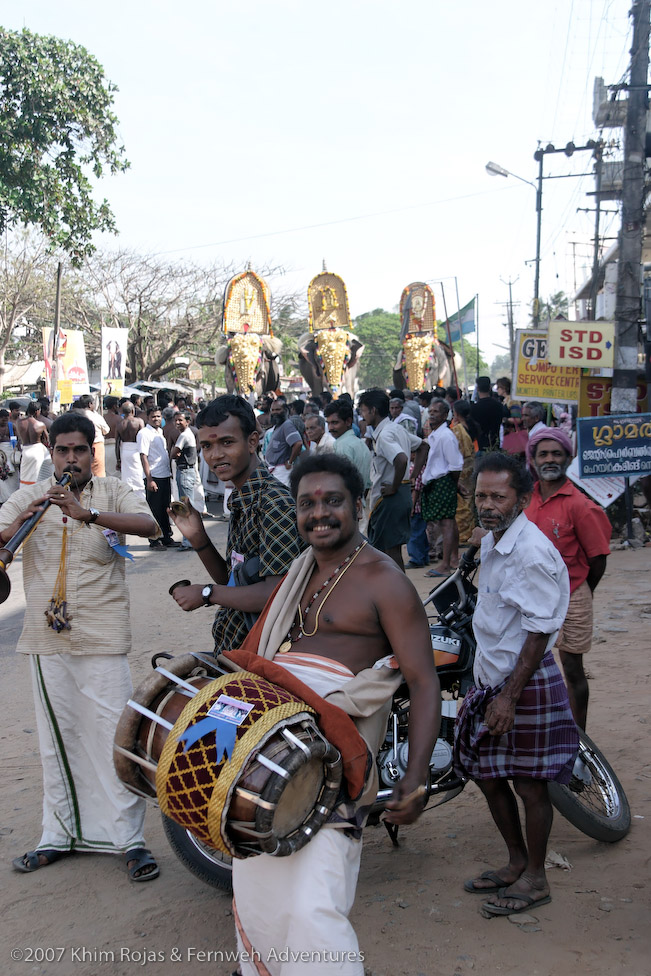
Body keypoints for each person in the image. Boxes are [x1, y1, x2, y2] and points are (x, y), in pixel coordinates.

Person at [227, 452, 440, 975]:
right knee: (257, 877)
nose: (319, 514)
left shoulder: (383, 580)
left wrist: (415, 779)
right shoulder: (300, 574)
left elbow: (423, 679)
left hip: (332, 749)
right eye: (307, 504)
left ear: (358, 506)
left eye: (332, 501)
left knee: (314, 897)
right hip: (270, 743)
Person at [1, 412, 160, 882]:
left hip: (104, 633)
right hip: (47, 638)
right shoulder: (30, 496)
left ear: (94, 451)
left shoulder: (111, 491)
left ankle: (129, 841)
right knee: (58, 738)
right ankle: (59, 835)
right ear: (52, 453)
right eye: (62, 450)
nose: (70, 459)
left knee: (115, 737)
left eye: (79, 450)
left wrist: (86, 513)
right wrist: (15, 529)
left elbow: (148, 525)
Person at [454, 452, 578, 915]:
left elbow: (540, 628)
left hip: (522, 682)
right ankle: (516, 862)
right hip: (492, 676)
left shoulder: (530, 552)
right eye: (481, 495)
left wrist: (509, 696)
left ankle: (537, 878)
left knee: (530, 787)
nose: (487, 504)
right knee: (486, 776)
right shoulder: (494, 540)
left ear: (523, 499)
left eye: (498, 496)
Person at [169, 395, 303, 653]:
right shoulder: (243, 499)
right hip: (233, 647)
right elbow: (234, 583)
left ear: (252, 441)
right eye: (207, 446)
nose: (216, 455)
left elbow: (275, 593)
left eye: (227, 442)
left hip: (260, 656)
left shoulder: (273, 503)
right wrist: (199, 540)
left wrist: (207, 593)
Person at [525, 428, 611, 732]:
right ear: (533, 460)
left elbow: (597, 559)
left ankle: (578, 741)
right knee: (528, 667)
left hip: (572, 596)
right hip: (531, 597)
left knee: (573, 669)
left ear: (568, 457)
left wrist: (579, 592)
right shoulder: (527, 499)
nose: (550, 459)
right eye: (543, 454)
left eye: (557, 453)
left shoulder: (580, 505)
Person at [358, 389, 425, 570]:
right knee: (389, 550)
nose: (363, 416)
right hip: (397, 493)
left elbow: (401, 459)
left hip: (390, 496)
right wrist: (411, 477)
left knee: (389, 553)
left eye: (364, 411)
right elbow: (423, 446)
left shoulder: (386, 434)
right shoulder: (395, 428)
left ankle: (399, 593)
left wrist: (395, 485)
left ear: (373, 410)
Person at [418, 399, 464, 576]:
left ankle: (445, 564)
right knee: (448, 522)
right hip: (437, 482)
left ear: (445, 416)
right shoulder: (435, 435)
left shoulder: (446, 436)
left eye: (436, 411)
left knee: (446, 523)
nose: (432, 414)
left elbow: (455, 466)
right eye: (430, 411)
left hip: (443, 481)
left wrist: (453, 484)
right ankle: (452, 559)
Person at [137, 405, 178, 548]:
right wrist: (149, 479)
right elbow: (144, 456)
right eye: (153, 416)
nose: (156, 419)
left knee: (165, 508)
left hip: (164, 475)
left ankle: (167, 537)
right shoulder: (144, 433)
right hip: (154, 476)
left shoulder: (160, 432)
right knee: (154, 510)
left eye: (158, 416)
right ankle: (154, 540)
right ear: (148, 418)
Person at [324, 400, 371, 490]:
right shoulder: (359, 443)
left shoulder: (343, 446)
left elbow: (342, 482)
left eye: (334, 423)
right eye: (328, 423)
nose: (330, 428)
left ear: (348, 421)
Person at [450, 399, 478, 544]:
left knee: (461, 502)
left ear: (456, 412)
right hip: (470, 467)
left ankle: (462, 534)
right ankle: (468, 531)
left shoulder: (457, 430)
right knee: (468, 499)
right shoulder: (469, 426)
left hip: (461, 469)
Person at [171, 410, 198, 550]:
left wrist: (174, 453)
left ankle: (189, 541)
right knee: (188, 506)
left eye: (180, 420)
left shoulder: (184, 435)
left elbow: (173, 452)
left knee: (185, 508)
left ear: (187, 421)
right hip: (187, 471)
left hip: (185, 472)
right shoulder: (188, 434)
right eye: (176, 420)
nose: (177, 423)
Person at [265, 399, 303, 486]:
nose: (275, 412)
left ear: (285, 410)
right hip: (275, 471)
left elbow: (298, 443)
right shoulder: (278, 426)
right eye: (273, 410)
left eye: (278, 410)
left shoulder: (287, 425)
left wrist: (290, 462)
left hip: (283, 471)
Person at [71, 394, 110, 478]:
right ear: (90, 404)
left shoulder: (77, 415)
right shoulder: (95, 416)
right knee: (99, 472)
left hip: (80, 446)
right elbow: (106, 430)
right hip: (96, 445)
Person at [470, 376, 507, 452]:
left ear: (477, 389)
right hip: (495, 444)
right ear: (490, 388)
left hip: (480, 446)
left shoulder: (474, 408)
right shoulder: (499, 406)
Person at [116, 402, 145, 496]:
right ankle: (141, 496)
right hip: (137, 450)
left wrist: (118, 459)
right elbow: (143, 438)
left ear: (123, 411)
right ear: (133, 410)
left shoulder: (120, 424)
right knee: (139, 474)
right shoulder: (139, 421)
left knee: (127, 476)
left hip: (125, 451)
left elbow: (117, 444)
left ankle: (129, 495)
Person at [17, 401, 49, 486]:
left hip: (25, 450)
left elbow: (18, 438)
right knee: (37, 477)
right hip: (37, 451)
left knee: (24, 477)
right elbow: (47, 439)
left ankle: (24, 496)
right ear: (37, 411)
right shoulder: (40, 424)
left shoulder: (19, 423)